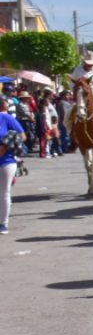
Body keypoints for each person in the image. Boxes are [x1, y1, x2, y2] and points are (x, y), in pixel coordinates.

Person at [0, 96, 23, 234]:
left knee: (4, 192)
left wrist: (7, 144)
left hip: (6, 161)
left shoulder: (6, 118)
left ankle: (3, 222)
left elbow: (22, 135)